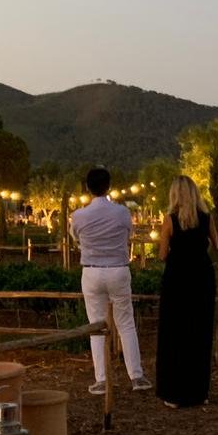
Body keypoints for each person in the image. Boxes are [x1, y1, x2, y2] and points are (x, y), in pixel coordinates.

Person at [69, 167, 150, 395]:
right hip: (118, 270)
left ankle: (102, 380)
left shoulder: (79, 216)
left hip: (92, 271)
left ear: (87, 188)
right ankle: (136, 376)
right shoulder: (122, 213)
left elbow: (75, 237)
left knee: (96, 325)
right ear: (109, 186)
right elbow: (128, 235)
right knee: (126, 323)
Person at [155, 176, 218, 408]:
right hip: (202, 277)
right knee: (199, 333)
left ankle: (174, 393)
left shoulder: (170, 220)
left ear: (174, 195)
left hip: (178, 280)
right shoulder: (207, 218)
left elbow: (162, 254)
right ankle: (199, 392)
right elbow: (217, 244)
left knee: (175, 334)